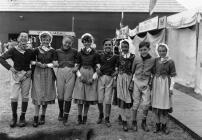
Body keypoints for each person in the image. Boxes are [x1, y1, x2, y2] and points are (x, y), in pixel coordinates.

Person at [0, 32, 34, 128]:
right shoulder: (13, 50)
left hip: (26, 76)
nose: (23, 38)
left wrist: (31, 70)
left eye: (25, 36)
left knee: (25, 97)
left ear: (28, 39)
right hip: (16, 76)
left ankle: (22, 117)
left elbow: (34, 62)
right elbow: (1, 58)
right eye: (21, 36)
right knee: (14, 97)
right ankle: (14, 117)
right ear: (18, 39)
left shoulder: (31, 51)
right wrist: (11, 68)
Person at [31, 31, 57, 127]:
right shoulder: (36, 50)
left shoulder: (53, 51)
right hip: (37, 73)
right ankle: (36, 117)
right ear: (40, 40)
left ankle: (43, 115)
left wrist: (46, 65)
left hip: (48, 73)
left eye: (47, 39)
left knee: (46, 94)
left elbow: (55, 63)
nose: (45, 41)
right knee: (38, 94)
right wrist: (36, 63)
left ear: (50, 40)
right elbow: (31, 61)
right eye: (43, 39)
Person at [73, 33, 100, 125]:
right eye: (85, 41)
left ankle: (85, 117)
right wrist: (80, 76)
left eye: (88, 41)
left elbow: (97, 68)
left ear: (91, 42)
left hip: (91, 75)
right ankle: (79, 117)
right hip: (81, 74)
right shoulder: (79, 53)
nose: (87, 43)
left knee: (87, 98)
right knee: (80, 98)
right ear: (83, 42)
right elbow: (76, 66)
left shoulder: (95, 54)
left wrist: (93, 79)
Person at [151, 43, 176, 134]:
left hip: (165, 85)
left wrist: (171, 88)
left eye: (164, 51)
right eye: (160, 51)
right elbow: (152, 72)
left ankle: (164, 126)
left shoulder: (170, 61)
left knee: (165, 106)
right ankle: (157, 125)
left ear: (167, 51)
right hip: (156, 85)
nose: (162, 52)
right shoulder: (155, 60)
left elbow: (173, 76)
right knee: (156, 105)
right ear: (157, 51)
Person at [131, 41, 155, 132]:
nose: (143, 52)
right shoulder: (136, 58)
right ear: (139, 51)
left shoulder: (153, 60)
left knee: (146, 103)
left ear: (149, 49)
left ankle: (143, 122)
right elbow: (132, 71)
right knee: (136, 102)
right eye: (141, 50)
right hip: (137, 81)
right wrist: (131, 82)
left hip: (146, 83)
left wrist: (151, 82)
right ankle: (134, 121)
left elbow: (154, 72)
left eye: (145, 49)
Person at [55, 35, 78, 125]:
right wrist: (55, 63)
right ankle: (61, 112)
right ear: (62, 41)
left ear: (72, 43)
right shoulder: (57, 51)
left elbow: (78, 62)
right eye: (66, 42)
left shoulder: (75, 51)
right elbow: (54, 61)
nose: (67, 44)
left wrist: (76, 66)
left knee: (68, 96)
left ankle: (66, 116)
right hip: (60, 72)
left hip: (71, 73)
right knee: (60, 95)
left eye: (69, 43)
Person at [96, 38, 118, 127]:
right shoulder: (99, 55)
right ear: (103, 46)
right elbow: (96, 64)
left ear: (112, 46)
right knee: (100, 99)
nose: (108, 46)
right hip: (101, 78)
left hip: (110, 78)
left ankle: (107, 118)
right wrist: (97, 69)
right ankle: (101, 114)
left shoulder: (115, 56)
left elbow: (117, 66)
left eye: (109, 45)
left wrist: (116, 72)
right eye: (106, 45)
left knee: (108, 99)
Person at [116, 40, 135, 131]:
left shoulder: (133, 57)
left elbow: (134, 70)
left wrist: (132, 82)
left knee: (129, 101)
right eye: (123, 47)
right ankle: (124, 121)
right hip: (120, 79)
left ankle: (124, 117)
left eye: (126, 47)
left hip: (129, 79)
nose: (124, 48)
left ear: (129, 47)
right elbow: (117, 68)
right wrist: (115, 79)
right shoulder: (118, 57)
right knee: (121, 100)